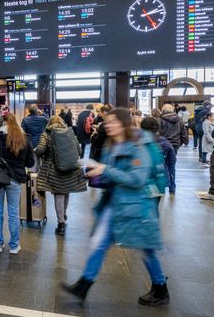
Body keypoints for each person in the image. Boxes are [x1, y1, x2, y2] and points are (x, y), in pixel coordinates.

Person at [61, 108, 168, 306]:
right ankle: (83, 286)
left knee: (146, 249)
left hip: (136, 207)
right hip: (115, 203)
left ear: (124, 124)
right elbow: (113, 174)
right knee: (99, 243)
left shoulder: (138, 145)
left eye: (112, 122)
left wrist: (105, 169)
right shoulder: (113, 144)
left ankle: (160, 288)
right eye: (106, 122)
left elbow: (137, 179)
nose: (107, 125)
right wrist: (97, 171)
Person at [0, 114, 34, 254]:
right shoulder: (24, 139)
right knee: (13, 212)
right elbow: (30, 162)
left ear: (2, 123)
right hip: (15, 178)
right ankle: (14, 245)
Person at [34, 116, 86, 236]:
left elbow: (41, 150)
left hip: (54, 170)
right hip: (70, 169)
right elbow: (79, 151)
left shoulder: (47, 134)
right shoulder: (70, 133)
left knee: (59, 195)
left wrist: (36, 151)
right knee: (66, 192)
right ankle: (63, 214)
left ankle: (61, 223)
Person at [141, 117, 176, 201]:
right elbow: (172, 164)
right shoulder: (165, 143)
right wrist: (172, 187)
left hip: (140, 183)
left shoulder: (135, 143)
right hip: (157, 183)